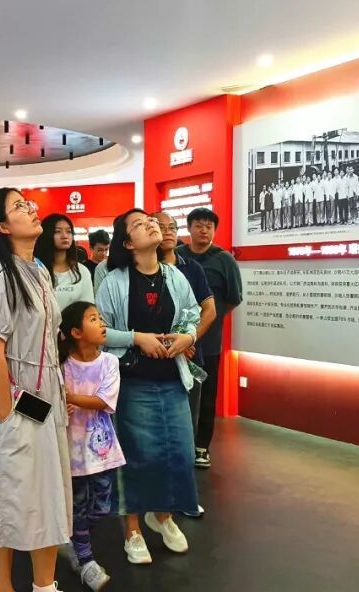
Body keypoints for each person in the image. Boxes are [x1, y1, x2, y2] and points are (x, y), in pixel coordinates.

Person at [0, 188, 71, 592]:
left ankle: (45, 585)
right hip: (12, 400)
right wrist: (6, 416)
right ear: (2, 226)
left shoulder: (38, 270)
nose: (31, 209)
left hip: (42, 399)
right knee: (2, 495)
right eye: (19, 207)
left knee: (46, 494)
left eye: (28, 203)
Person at [96, 208, 200, 564]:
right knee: (136, 458)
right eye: (140, 225)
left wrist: (187, 337)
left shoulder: (175, 276)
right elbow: (100, 331)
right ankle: (133, 530)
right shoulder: (113, 282)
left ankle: (163, 516)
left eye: (151, 221)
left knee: (178, 454)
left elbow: (192, 315)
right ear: (128, 243)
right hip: (133, 382)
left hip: (172, 379)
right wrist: (137, 338)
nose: (151, 225)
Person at [58, 301, 125, 591]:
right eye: (93, 319)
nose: (102, 324)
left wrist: (68, 397)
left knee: (101, 506)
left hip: (102, 451)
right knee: (78, 506)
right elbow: (55, 401)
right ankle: (84, 558)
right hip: (72, 453)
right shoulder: (62, 366)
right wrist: (61, 404)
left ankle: (75, 542)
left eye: (100, 318)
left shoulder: (109, 362)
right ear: (76, 332)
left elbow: (104, 401)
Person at [152, 210, 215, 515]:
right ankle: (153, 498)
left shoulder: (192, 268)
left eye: (172, 227)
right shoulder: (139, 269)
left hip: (188, 360)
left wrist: (189, 339)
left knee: (185, 431)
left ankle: (184, 496)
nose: (168, 231)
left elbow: (209, 309)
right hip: (150, 362)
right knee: (151, 435)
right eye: (161, 226)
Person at [176, 208, 243, 469]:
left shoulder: (224, 260)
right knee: (177, 392)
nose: (204, 230)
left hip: (209, 342)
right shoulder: (177, 256)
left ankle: (201, 446)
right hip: (176, 340)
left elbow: (233, 299)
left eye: (208, 226)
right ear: (189, 228)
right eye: (198, 225)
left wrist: (207, 323)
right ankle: (180, 442)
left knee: (206, 395)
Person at [37, 213, 94, 310]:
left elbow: (88, 309)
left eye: (68, 231)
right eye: (57, 231)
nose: (65, 236)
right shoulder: (37, 269)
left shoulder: (82, 271)